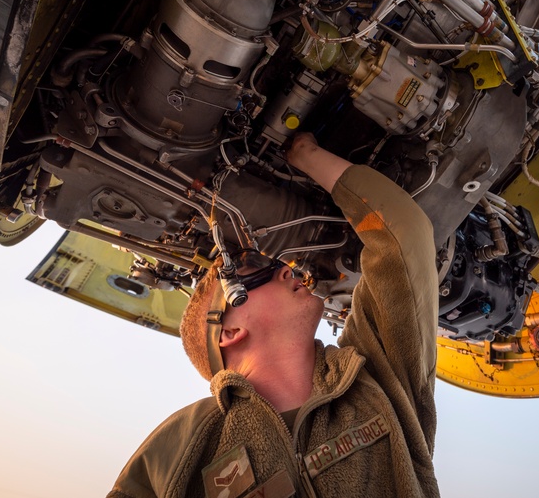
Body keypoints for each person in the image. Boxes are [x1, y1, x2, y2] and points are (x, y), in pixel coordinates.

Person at [108, 134, 440, 498]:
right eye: (250, 269)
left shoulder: (378, 373)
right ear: (230, 330)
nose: (286, 269)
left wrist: (309, 155)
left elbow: (402, 237)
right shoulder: (180, 443)